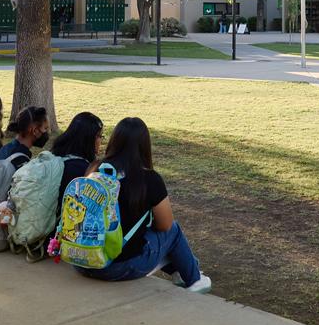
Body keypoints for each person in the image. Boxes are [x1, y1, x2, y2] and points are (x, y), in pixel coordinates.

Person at [74, 117, 210, 293]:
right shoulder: (149, 179)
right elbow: (165, 226)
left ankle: (179, 271)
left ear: (115, 141)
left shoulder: (95, 169)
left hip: (82, 259)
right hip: (115, 268)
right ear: (145, 146)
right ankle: (194, 280)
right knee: (173, 231)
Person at [50, 111, 105, 205]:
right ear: (89, 139)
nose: (101, 140)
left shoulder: (58, 155)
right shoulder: (81, 170)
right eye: (99, 136)